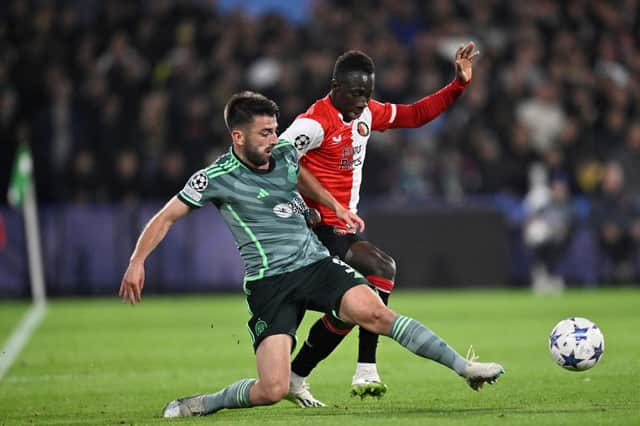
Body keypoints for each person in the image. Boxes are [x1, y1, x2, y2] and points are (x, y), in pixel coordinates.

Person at [118, 91, 504, 418]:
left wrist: (332, 205)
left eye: (274, 129)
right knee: (272, 388)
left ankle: (464, 367)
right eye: (265, 132)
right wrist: (137, 262)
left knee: (376, 312)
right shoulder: (217, 178)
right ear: (238, 137)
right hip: (270, 284)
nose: (275, 138)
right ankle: (204, 403)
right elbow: (166, 217)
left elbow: (298, 173)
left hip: (315, 264)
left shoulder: (283, 153)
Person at [280, 43, 479, 404]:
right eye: (355, 93)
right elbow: (279, 161)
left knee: (348, 310)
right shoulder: (312, 123)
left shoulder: (367, 113)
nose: (361, 101)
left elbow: (416, 115)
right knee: (379, 269)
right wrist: (316, 205)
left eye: (367, 93)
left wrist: (457, 85)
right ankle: (365, 368)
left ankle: (297, 375)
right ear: (335, 85)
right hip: (308, 231)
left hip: (341, 227)